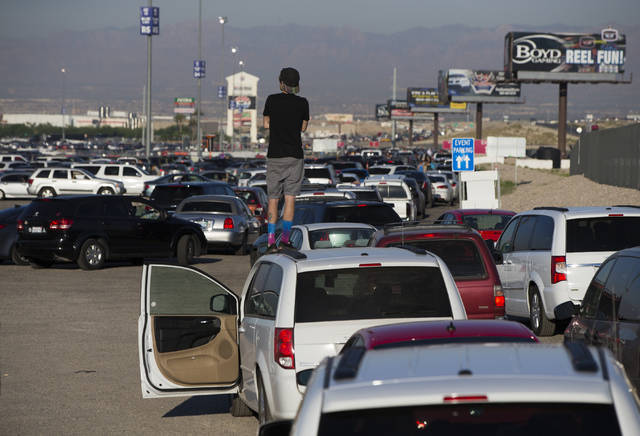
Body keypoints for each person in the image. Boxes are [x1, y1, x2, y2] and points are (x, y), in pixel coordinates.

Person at [262, 67, 310, 250]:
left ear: (281, 82)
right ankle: (286, 239)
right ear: (296, 84)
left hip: (275, 155)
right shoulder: (303, 103)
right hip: (295, 156)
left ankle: (271, 240)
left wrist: (277, 122)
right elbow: (303, 128)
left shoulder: (271, 100)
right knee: (290, 199)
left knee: (273, 199)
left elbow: (266, 124)